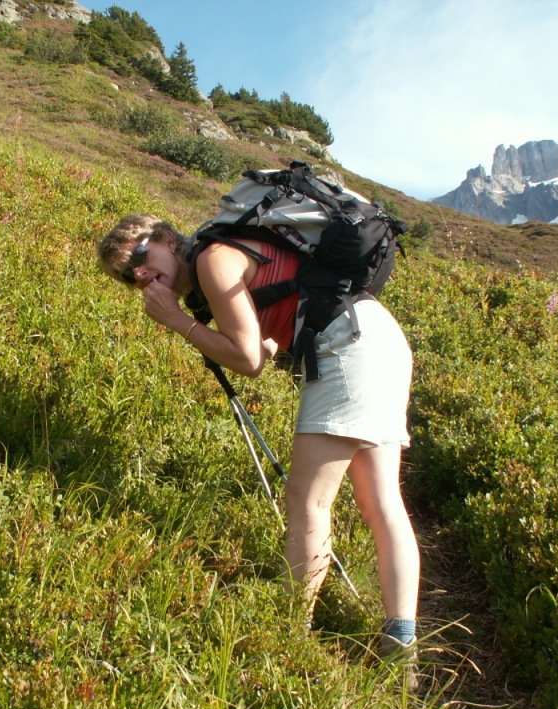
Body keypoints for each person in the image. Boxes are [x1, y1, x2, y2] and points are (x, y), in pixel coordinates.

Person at [96, 212, 420, 684]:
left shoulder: (212, 258)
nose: (140, 274)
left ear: (167, 238)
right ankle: (400, 645)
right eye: (130, 276)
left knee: (308, 500)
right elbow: (268, 338)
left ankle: (291, 634)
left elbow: (248, 360)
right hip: (378, 337)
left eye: (142, 256)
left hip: (347, 347)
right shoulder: (226, 254)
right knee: (381, 501)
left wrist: (177, 322)